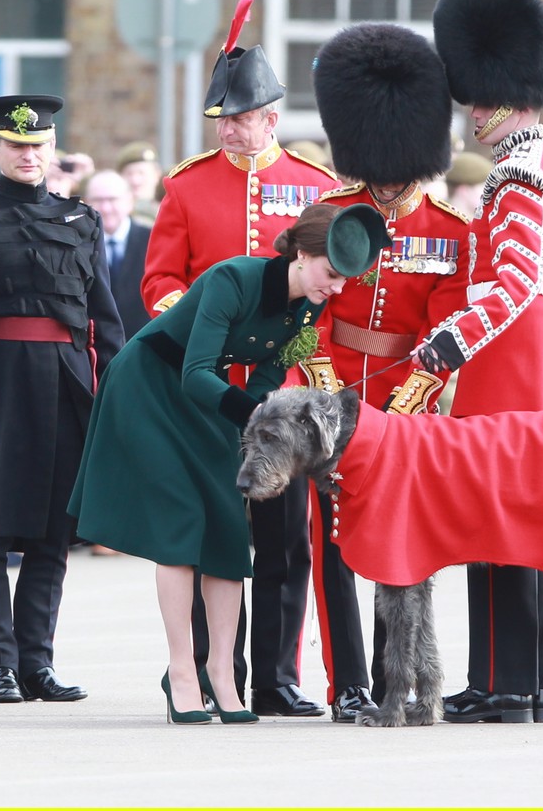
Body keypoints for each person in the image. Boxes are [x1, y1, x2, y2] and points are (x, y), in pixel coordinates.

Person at [71, 203, 391, 724]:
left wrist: (260, 422)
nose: (335, 289)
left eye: (343, 281)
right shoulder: (232, 279)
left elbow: (264, 377)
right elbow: (196, 371)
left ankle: (222, 674)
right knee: (181, 525)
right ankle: (181, 673)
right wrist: (261, 416)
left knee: (224, 524)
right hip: (151, 387)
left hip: (211, 400)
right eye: (331, 275)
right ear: (302, 253)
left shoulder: (305, 306)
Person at [141, 0, 338, 716]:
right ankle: (199, 671)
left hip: (280, 389)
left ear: (271, 118)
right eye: (220, 119)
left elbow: (324, 300)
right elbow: (159, 281)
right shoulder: (187, 185)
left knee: (283, 543)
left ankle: (276, 677)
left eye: (240, 117)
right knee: (209, 536)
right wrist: (197, 332)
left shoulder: (316, 190)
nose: (228, 129)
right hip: (206, 388)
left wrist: (298, 366)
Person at [413, 0, 543, 725]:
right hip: (539, 366)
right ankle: (525, 682)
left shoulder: (519, 176)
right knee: (523, 527)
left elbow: (513, 282)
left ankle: (505, 685)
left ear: (508, 99)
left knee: (500, 524)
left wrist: (451, 342)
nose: (471, 114)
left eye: (479, 101)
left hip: (511, 371)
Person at [0, 94, 124, 705]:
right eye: (15, 146)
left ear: (52, 149)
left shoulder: (81, 221)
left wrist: (112, 402)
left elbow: (106, 323)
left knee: (51, 534)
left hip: (66, 386)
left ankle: (36, 662)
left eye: (38, 146)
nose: (28, 156)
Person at [307, 21, 469, 721]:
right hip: (331, 388)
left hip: (405, 400)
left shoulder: (448, 231)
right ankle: (347, 683)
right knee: (331, 539)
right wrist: (317, 379)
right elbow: (301, 312)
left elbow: (446, 327)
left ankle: (392, 676)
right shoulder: (329, 215)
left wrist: (410, 398)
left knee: (396, 542)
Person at [83, 169, 152, 341]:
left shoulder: (153, 240)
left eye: (112, 199)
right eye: (97, 200)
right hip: (95, 349)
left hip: (144, 345)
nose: (105, 208)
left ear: (130, 201)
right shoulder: (78, 244)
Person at [115, 141, 163, 225]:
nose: (135, 180)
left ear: (157, 175)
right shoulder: (112, 214)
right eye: (129, 174)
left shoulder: (169, 210)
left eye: (141, 173)